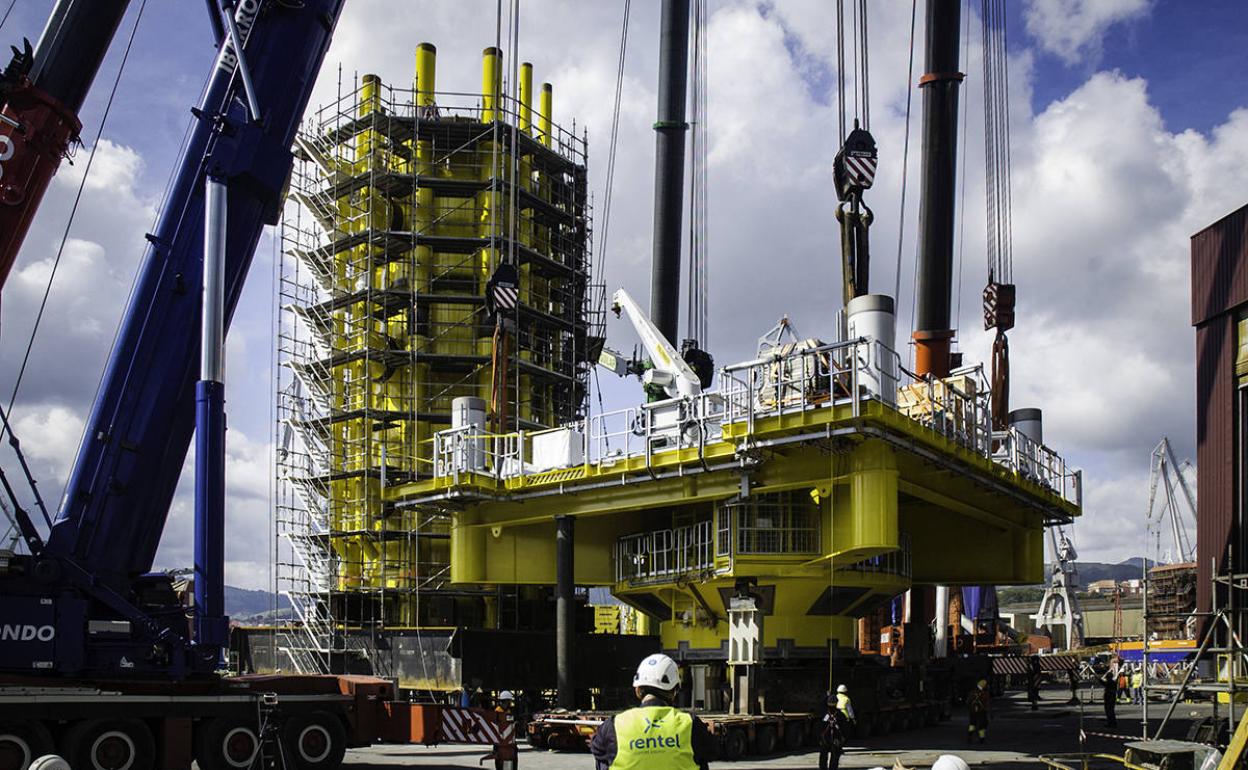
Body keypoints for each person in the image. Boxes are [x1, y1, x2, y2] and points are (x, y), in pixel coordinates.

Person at [590, 653, 716, 770]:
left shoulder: (615, 725)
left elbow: (597, 749)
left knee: (605, 758)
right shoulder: (689, 724)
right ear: (674, 691)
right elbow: (712, 752)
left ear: (637, 690)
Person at [819, 693, 847, 770]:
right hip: (835, 738)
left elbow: (820, 726)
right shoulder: (840, 715)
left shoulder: (825, 714)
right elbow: (845, 728)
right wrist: (843, 739)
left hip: (826, 738)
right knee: (834, 757)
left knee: (824, 756)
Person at [966, 679, 990, 744]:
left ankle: (969, 736)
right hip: (982, 711)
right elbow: (987, 704)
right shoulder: (985, 694)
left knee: (972, 724)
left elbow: (967, 702)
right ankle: (982, 739)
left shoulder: (972, 693)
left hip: (973, 711)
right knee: (982, 725)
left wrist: (970, 709)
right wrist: (989, 711)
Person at [1100, 663, 1118, 729]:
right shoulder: (1113, 682)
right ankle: (1112, 722)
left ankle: (1111, 723)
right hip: (1111, 698)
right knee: (1111, 711)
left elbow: (1103, 683)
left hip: (1109, 698)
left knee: (1109, 711)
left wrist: (1098, 679)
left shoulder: (1110, 682)